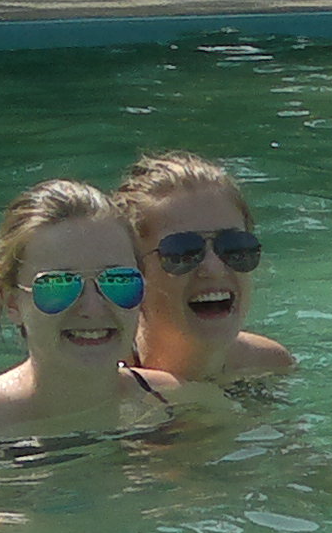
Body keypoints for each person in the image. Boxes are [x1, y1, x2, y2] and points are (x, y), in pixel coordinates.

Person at [0, 180, 198, 444]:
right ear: (12, 303)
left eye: (118, 281)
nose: (92, 307)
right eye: (59, 285)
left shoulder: (173, 403)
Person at [114, 151, 298, 383]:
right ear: (134, 273)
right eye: (183, 252)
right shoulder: (100, 383)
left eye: (233, 246)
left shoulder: (268, 366)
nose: (214, 268)